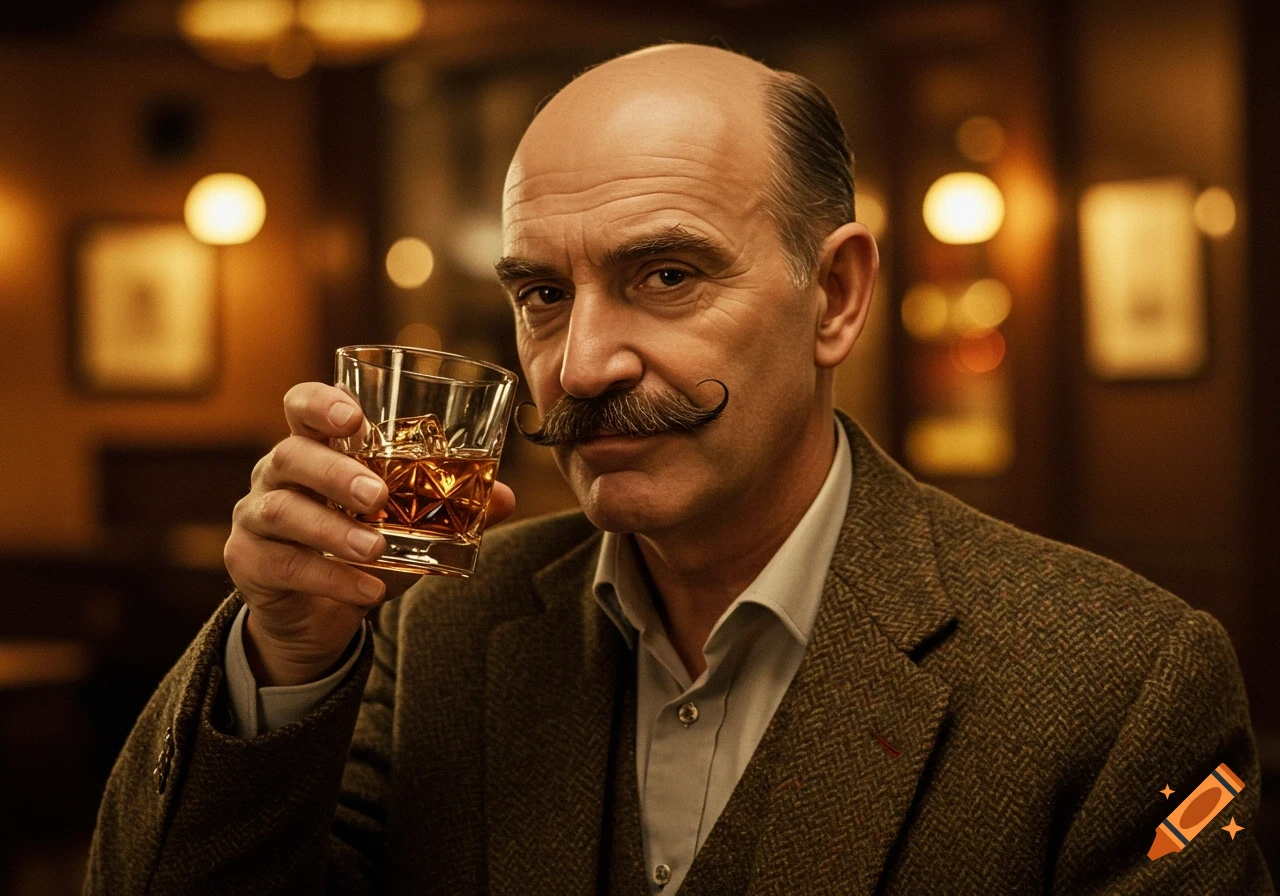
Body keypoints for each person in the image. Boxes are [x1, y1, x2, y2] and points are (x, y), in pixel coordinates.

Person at [84, 44, 1273, 895]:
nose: (583, 361)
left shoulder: (1110, 681)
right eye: (542, 295)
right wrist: (284, 654)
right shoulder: (440, 629)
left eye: (666, 276)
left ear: (836, 294)